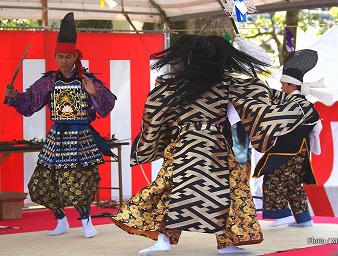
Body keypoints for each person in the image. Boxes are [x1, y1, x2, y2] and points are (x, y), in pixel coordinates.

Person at [110, 35, 316, 255]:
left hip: (186, 146)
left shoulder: (179, 85)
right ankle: (223, 241)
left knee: (171, 189)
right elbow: (262, 101)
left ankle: (167, 239)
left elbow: (156, 111)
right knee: (231, 188)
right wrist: (295, 102)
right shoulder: (223, 83)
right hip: (212, 145)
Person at [3, 12, 116, 237]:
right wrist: (14, 96)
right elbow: (29, 104)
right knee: (41, 183)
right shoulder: (48, 82)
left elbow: (108, 104)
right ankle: (61, 220)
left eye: (68, 56)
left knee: (77, 181)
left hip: (81, 138)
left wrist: (93, 93)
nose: (64, 60)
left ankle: (86, 223)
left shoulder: (87, 80)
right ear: (55, 57)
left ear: (76, 56)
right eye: (61, 56)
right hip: (56, 138)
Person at [255, 49, 322, 227]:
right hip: (300, 150)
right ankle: (303, 218)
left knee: (273, 177)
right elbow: (317, 127)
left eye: (284, 84)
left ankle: (282, 213)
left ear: (292, 86)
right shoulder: (301, 102)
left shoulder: (299, 104)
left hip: (288, 150)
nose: (282, 87)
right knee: (293, 183)